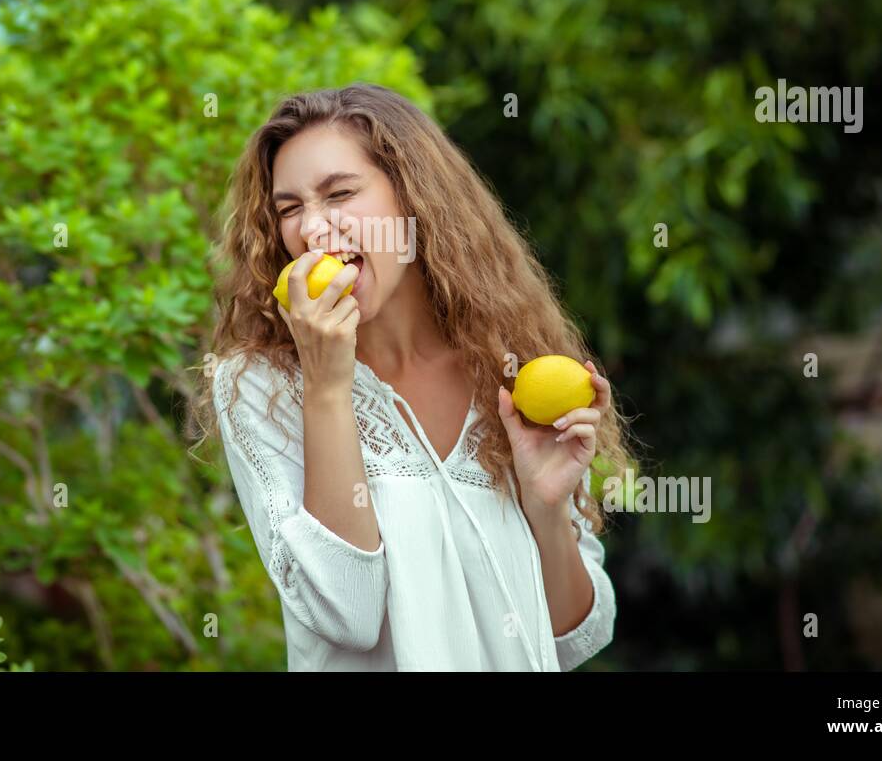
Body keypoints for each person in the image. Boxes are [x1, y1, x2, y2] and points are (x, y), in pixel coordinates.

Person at [192, 82, 634, 670]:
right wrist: (327, 387)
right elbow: (346, 613)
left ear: (414, 198)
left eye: (340, 193)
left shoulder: (507, 369)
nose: (314, 229)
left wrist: (547, 508)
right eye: (290, 208)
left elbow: (575, 636)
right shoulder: (261, 385)